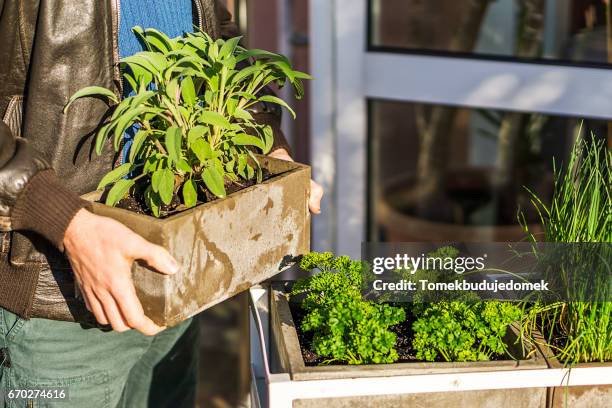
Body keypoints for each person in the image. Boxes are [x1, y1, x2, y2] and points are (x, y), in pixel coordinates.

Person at [0, 1, 323, 406]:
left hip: (174, 269)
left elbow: (217, 34)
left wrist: (265, 143)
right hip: (58, 296)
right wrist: (64, 220)